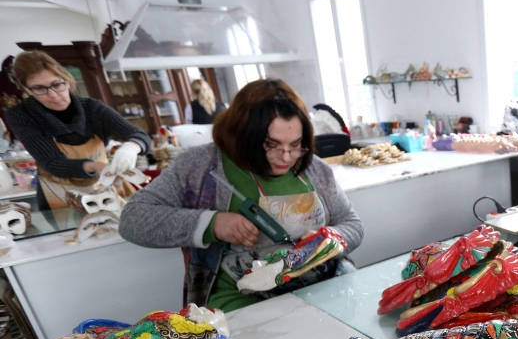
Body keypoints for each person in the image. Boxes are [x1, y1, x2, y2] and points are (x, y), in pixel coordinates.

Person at [119, 78, 364, 312]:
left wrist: (329, 239)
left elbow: (352, 225)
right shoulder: (198, 168)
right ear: (242, 135)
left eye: (296, 144)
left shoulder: (316, 169)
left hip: (321, 288)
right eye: (272, 144)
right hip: (242, 299)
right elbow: (133, 220)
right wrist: (211, 224)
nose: (287, 157)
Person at [5, 51, 151, 210]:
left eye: (57, 84)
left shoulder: (93, 108)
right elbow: (53, 163)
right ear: (27, 89)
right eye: (39, 88)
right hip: (59, 193)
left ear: (66, 81)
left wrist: (131, 147)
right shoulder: (21, 115)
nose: (53, 95)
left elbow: (139, 135)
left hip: (103, 185)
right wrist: (95, 166)